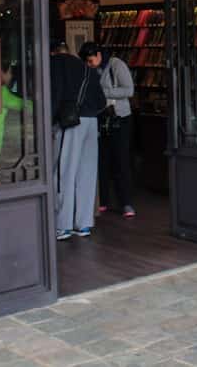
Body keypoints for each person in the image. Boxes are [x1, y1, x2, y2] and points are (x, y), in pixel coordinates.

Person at [50, 38, 107, 240]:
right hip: (91, 122)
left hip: (71, 122)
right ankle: (83, 224)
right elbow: (102, 101)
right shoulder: (86, 68)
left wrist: (50, 121)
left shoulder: (56, 64)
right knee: (87, 173)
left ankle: (62, 225)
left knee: (64, 173)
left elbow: (55, 95)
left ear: (52, 52)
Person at [80, 42, 137, 219]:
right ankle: (102, 200)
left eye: (91, 61)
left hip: (119, 118)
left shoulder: (116, 65)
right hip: (100, 118)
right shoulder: (90, 69)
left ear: (99, 55)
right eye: (86, 62)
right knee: (102, 160)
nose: (89, 64)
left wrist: (104, 92)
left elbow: (129, 90)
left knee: (120, 160)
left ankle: (126, 202)